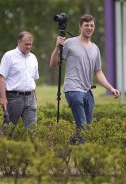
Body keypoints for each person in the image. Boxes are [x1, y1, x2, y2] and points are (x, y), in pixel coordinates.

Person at [50, 14, 120, 143]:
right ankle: (83, 156)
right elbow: (53, 64)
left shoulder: (95, 49)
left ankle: (68, 148)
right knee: (83, 126)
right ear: (80, 26)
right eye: (86, 25)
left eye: (92, 25)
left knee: (86, 127)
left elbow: (98, 72)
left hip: (88, 91)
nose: (89, 28)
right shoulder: (70, 43)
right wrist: (56, 47)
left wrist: (111, 88)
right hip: (73, 89)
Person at [0, 31, 39, 129]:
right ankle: (0, 144)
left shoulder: (33, 58)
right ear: (19, 42)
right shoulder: (9, 56)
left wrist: (35, 97)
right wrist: (3, 98)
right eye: (26, 44)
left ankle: (33, 145)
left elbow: (33, 80)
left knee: (32, 130)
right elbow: (1, 77)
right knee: (7, 130)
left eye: (30, 44)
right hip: (14, 98)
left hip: (30, 98)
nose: (28, 47)